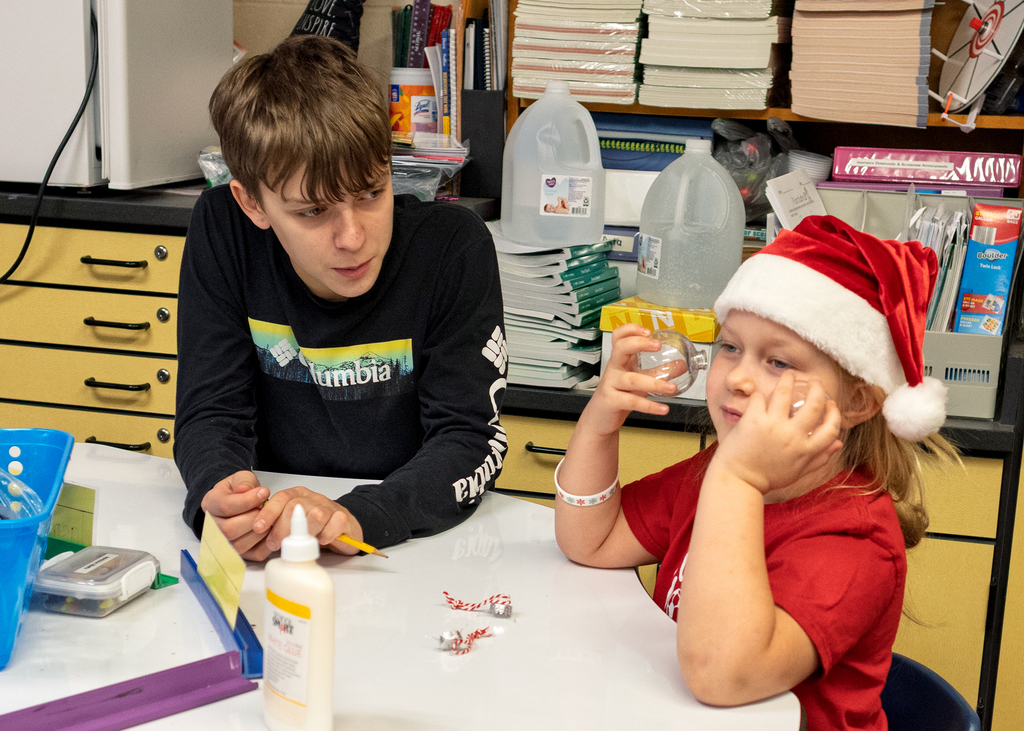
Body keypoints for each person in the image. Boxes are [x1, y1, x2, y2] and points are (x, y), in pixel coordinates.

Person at [554, 215, 956, 730]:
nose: (738, 377)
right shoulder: (718, 474)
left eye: (778, 363)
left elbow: (721, 677)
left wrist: (737, 480)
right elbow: (591, 541)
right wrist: (599, 422)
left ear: (857, 400)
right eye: (730, 347)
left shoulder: (856, 541)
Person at [174, 34, 508, 561]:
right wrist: (224, 496)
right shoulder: (223, 229)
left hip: (412, 546)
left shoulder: (453, 248)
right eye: (312, 212)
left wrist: (356, 516)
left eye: (372, 193)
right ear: (252, 203)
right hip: (278, 540)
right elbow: (210, 411)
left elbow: (468, 440)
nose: (352, 237)